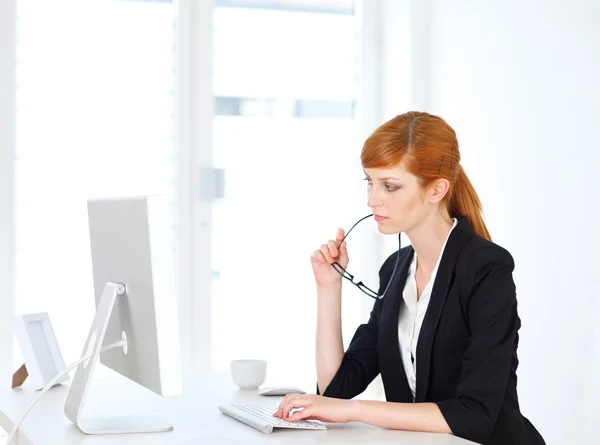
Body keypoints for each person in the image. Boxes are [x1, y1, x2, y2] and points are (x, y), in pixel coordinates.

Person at [273, 111, 545, 445]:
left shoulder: (487, 268)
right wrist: (328, 288)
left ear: (437, 189)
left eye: (389, 186)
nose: (373, 199)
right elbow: (336, 390)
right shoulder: (396, 269)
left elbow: (474, 414)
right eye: (369, 182)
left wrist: (354, 410)